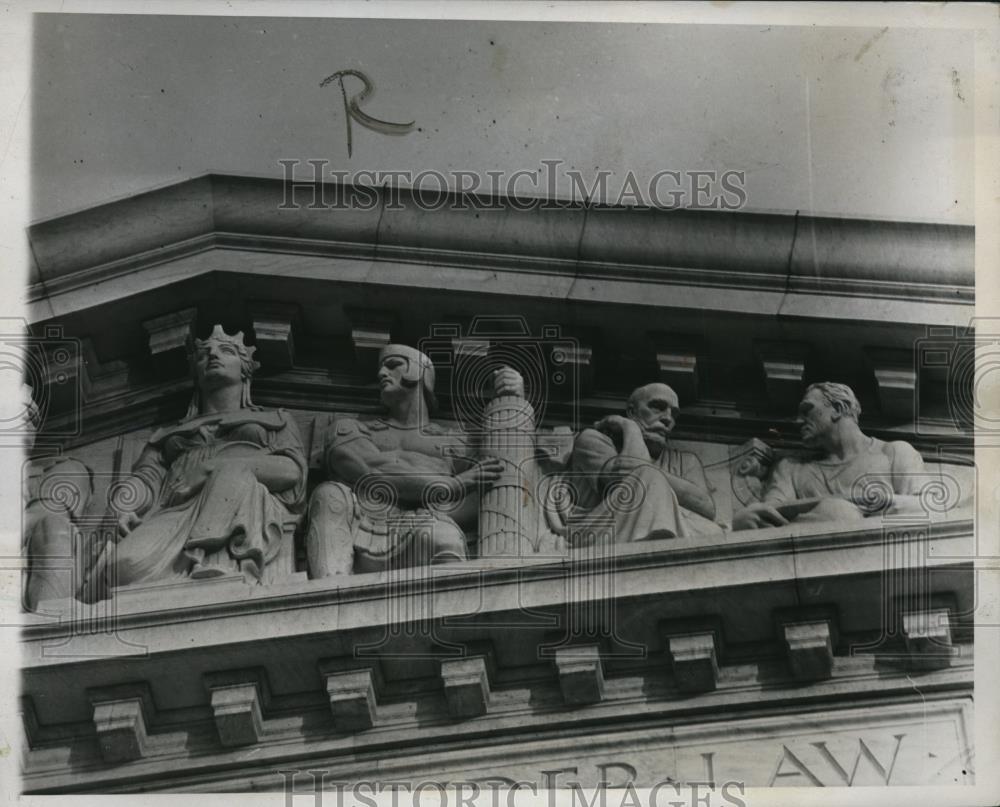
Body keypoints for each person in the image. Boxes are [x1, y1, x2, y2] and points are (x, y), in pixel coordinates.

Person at [98, 325, 307, 589]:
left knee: (231, 474)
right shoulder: (168, 435)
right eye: (203, 354)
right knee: (122, 567)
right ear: (195, 372)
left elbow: (291, 471)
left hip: (243, 502)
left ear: (245, 368)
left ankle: (212, 561)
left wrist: (213, 467)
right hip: (177, 508)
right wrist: (122, 506)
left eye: (226, 350)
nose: (213, 355)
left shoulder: (275, 420)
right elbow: (146, 477)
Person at [306, 344, 520, 576]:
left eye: (393, 365)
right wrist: (452, 485)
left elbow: (499, 477)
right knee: (328, 494)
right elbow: (370, 469)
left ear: (420, 372)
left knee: (444, 538)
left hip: (428, 527)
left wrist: (514, 400)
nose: (381, 374)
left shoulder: (456, 442)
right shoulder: (351, 429)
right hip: (364, 527)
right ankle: (331, 593)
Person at [733, 382, 926, 530]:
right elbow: (770, 514)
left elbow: (924, 508)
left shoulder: (894, 453)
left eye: (808, 410)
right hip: (806, 561)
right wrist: (747, 518)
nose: (799, 421)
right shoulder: (792, 468)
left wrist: (855, 506)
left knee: (838, 511)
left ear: (839, 409)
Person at [550, 382, 723, 546]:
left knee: (713, 530)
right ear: (632, 412)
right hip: (600, 531)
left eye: (674, 413)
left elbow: (706, 507)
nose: (668, 419)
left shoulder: (685, 461)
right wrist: (630, 427)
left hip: (657, 524)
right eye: (658, 407)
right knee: (648, 478)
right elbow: (625, 479)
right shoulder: (593, 439)